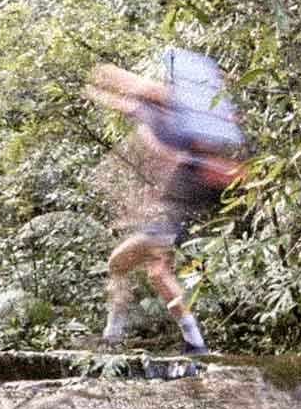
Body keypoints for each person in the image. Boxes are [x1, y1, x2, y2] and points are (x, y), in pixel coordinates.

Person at [83, 48, 246, 354]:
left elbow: (137, 90)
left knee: (130, 264)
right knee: (148, 270)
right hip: (189, 194)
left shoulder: (174, 107)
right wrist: (99, 92)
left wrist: (104, 77)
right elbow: (129, 103)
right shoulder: (165, 116)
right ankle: (184, 339)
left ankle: (118, 336)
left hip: (187, 192)